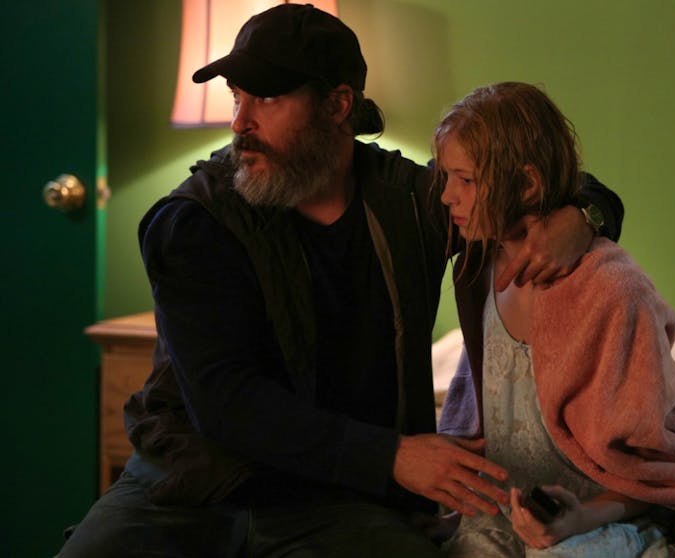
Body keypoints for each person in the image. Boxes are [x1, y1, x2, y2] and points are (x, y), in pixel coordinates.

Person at [58, 6, 624, 558]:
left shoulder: (411, 204)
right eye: (237, 97)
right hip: (187, 488)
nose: (240, 123)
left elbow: (534, 187)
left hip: (335, 502)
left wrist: (582, 217)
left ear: (337, 104)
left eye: (267, 99)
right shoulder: (195, 222)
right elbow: (226, 402)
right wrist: (394, 457)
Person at [434, 82, 675, 557]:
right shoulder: (475, 270)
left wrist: (580, 518)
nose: (445, 195)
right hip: (503, 509)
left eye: (465, 180)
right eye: (445, 177)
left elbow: (648, 465)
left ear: (527, 184)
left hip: (598, 509)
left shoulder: (612, 290)